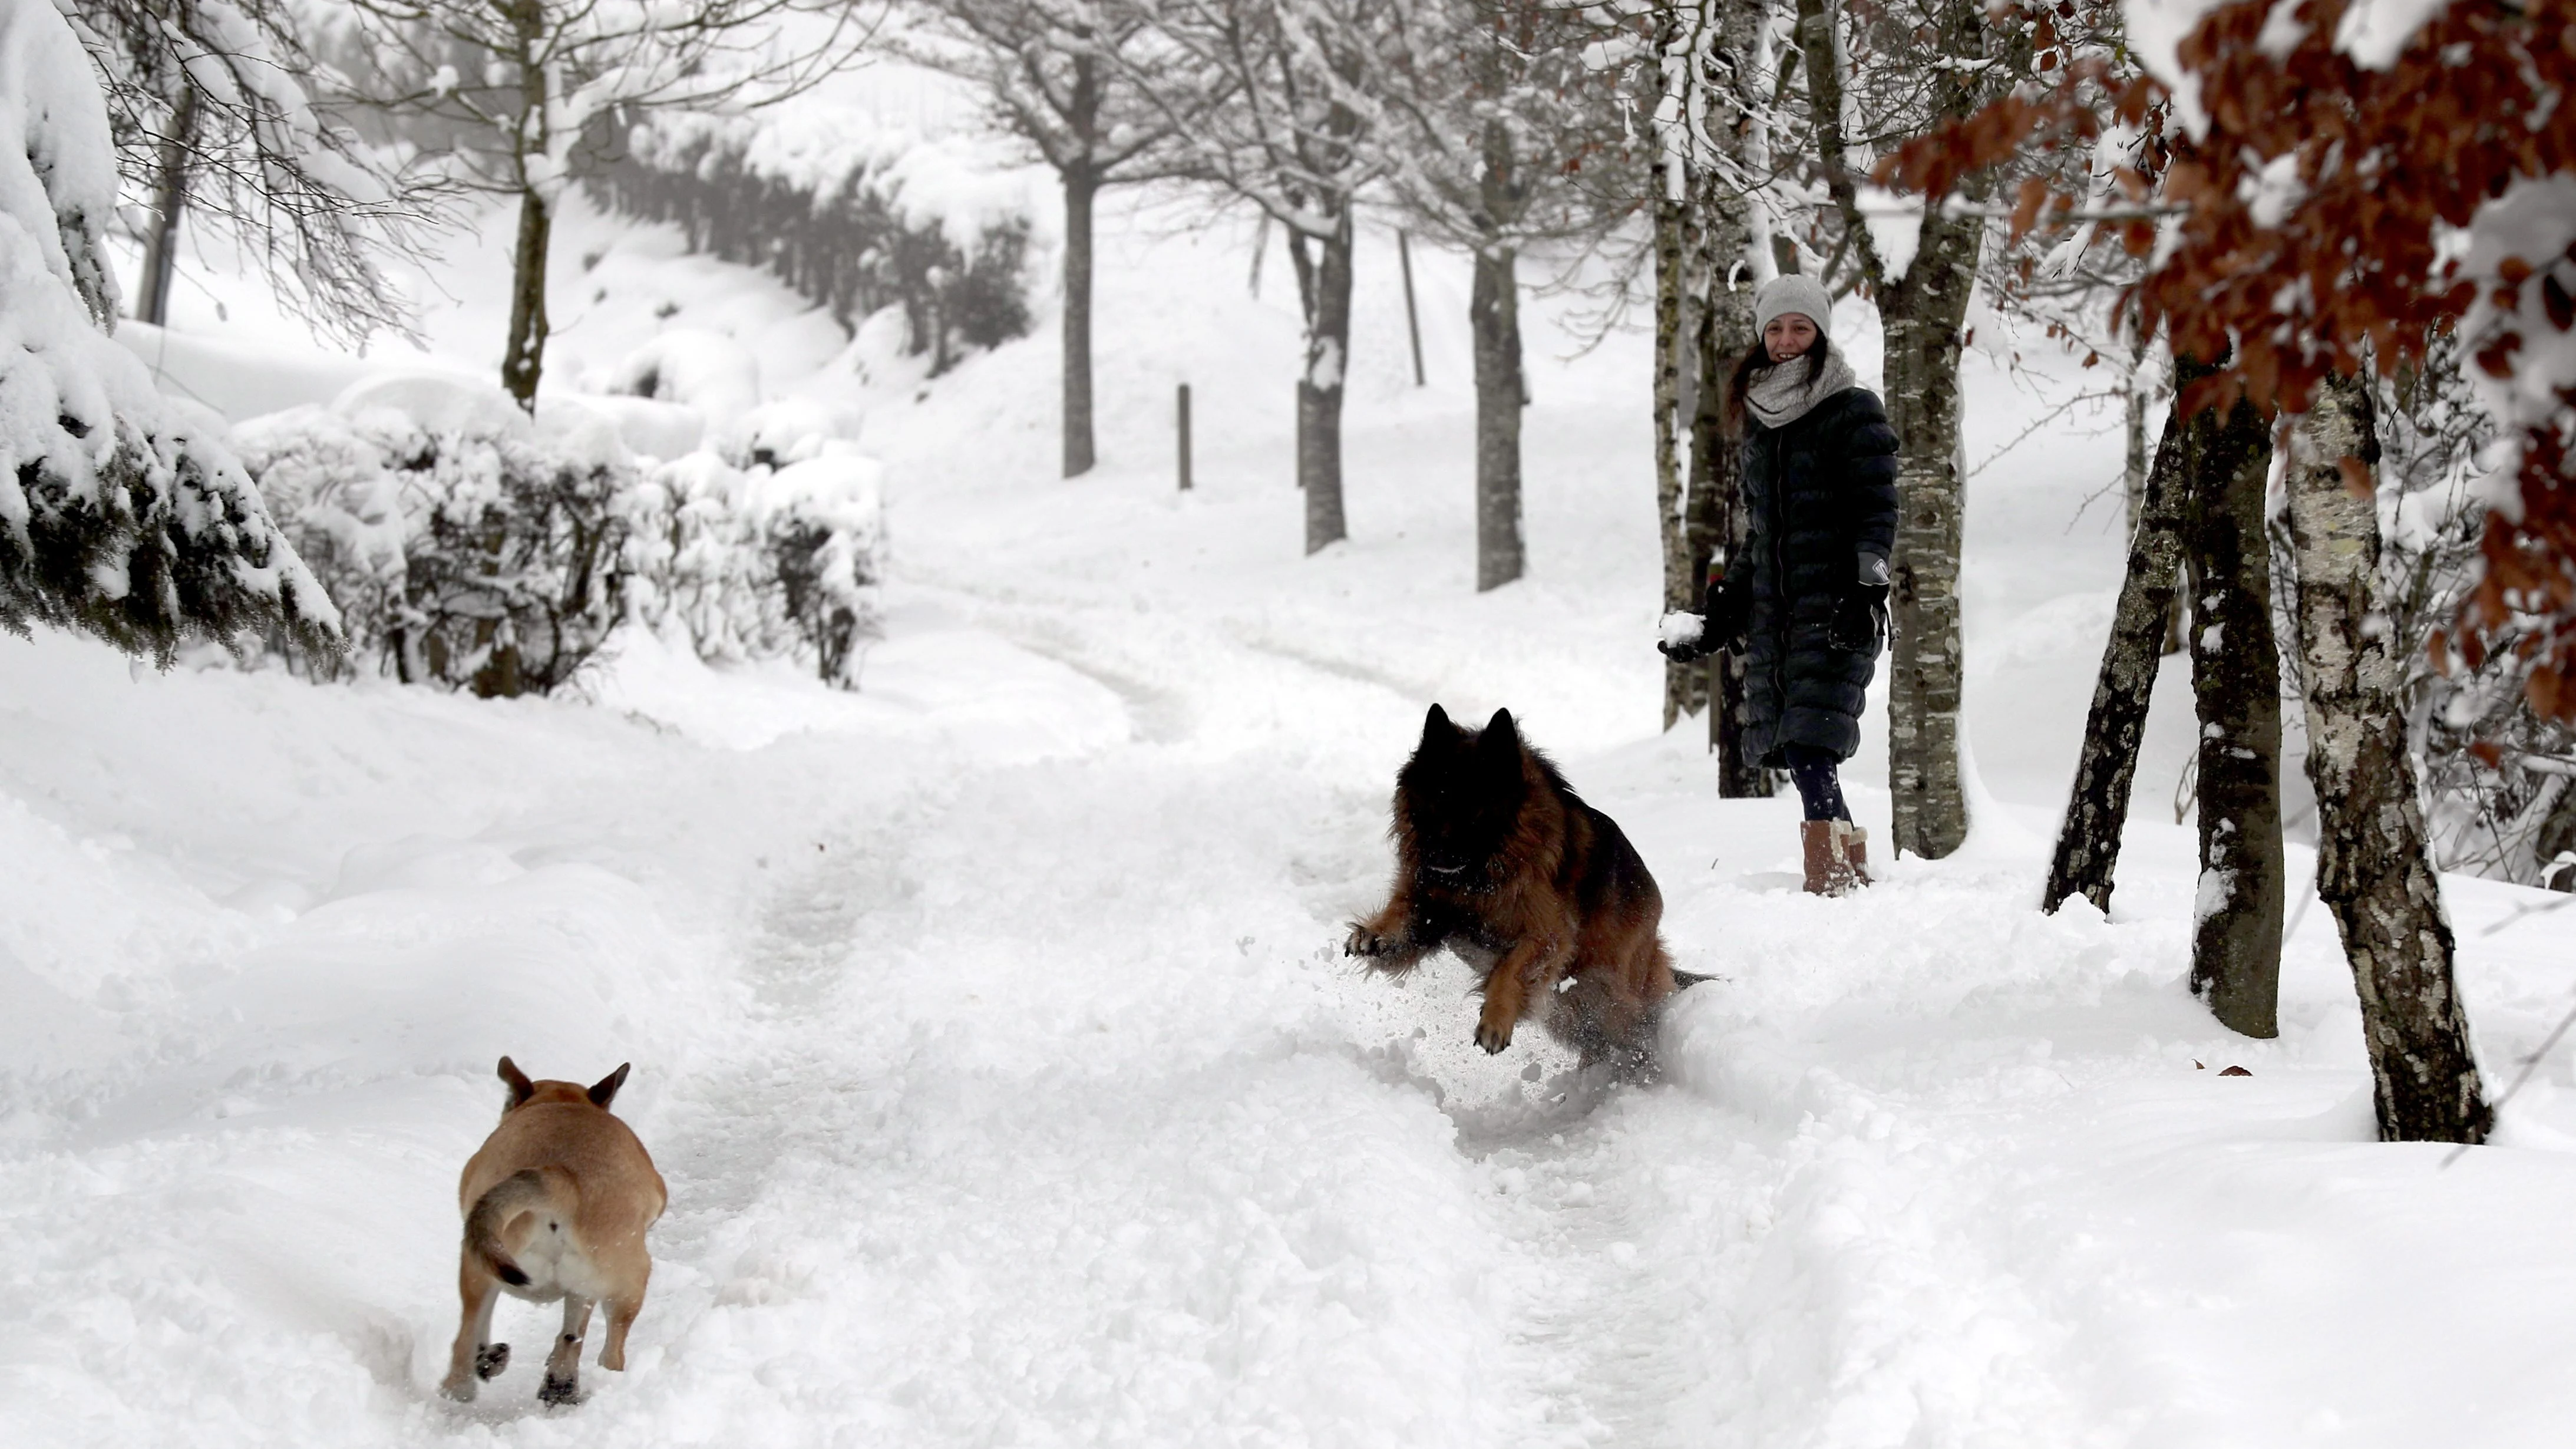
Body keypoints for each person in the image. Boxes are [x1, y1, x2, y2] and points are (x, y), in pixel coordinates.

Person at [1658, 275, 1898, 896]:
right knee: (1800, 745)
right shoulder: (1760, 423)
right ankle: (1847, 874)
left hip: (1839, 603)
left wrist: (1867, 589)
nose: (1786, 340)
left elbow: (1877, 511)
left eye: (1799, 327)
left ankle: (1830, 882)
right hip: (1778, 614)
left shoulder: (1852, 409)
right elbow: (1762, 540)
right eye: (1774, 328)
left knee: (1809, 740)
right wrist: (1720, 614)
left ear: (1819, 333)